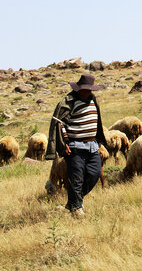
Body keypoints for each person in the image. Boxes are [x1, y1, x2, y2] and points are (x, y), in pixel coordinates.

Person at [45, 73, 108, 219]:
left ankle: (72, 202)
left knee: (94, 174)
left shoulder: (93, 100)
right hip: (74, 146)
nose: (87, 92)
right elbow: (59, 124)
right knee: (77, 177)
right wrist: (63, 144)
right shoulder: (68, 102)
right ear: (78, 88)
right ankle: (77, 209)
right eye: (85, 89)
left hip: (92, 145)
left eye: (89, 89)